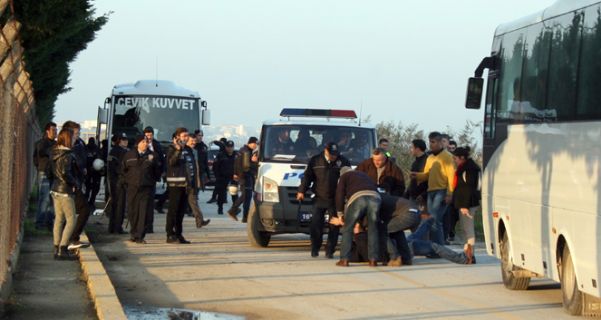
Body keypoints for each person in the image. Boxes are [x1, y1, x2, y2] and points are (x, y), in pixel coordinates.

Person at [297, 142, 351, 258]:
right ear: (326, 151)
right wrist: (301, 191)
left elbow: (348, 178)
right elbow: (307, 177)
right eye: (332, 154)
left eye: (336, 154)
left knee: (334, 226)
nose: (334, 157)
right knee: (316, 224)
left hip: (335, 199)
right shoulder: (315, 160)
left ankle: (330, 250)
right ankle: (315, 248)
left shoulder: (343, 161)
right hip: (319, 197)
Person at [411, 132, 455, 246]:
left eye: (433, 142)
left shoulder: (448, 157)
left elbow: (451, 176)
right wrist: (417, 175)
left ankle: (439, 248)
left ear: (441, 142)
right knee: (433, 221)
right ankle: (435, 247)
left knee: (434, 220)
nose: (431, 145)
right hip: (431, 191)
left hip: (442, 190)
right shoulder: (430, 157)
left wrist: (450, 194)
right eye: (430, 142)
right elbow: (427, 174)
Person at [335, 167, 381, 267]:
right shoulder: (364, 175)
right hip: (375, 198)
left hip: (358, 198)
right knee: (373, 229)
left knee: (348, 228)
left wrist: (340, 213)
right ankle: (373, 260)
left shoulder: (344, 176)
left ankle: (344, 259)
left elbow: (339, 194)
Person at [122, 136, 162, 244]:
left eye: (147, 142)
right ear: (137, 143)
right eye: (143, 141)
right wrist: (126, 181)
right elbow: (123, 170)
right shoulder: (129, 155)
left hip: (146, 187)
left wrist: (152, 181)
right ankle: (133, 233)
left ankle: (140, 235)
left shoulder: (153, 156)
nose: (145, 143)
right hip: (132, 187)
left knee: (143, 212)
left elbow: (157, 171)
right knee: (132, 211)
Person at [49, 128, 79, 260]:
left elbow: (53, 172)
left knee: (59, 219)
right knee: (72, 220)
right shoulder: (67, 154)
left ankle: (56, 248)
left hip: (55, 189)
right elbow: (65, 173)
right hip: (65, 191)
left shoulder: (54, 152)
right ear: (68, 139)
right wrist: (74, 184)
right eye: (72, 138)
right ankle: (63, 249)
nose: (74, 139)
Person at [62, 121, 90, 250]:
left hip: (77, 182)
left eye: (79, 133)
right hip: (70, 185)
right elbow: (65, 170)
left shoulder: (79, 144)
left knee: (72, 213)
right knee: (82, 210)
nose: (78, 136)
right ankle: (71, 239)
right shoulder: (66, 150)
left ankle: (68, 240)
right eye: (76, 133)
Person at [452, 146, 481, 258]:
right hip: (465, 203)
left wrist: (465, 205)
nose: (455, 161)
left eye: (456, 158)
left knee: (468, 229)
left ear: (462, 157)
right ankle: (467, 253)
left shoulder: (470, 169)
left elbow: (469, 188)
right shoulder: (465, 167)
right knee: (465, 229)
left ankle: (470, 255)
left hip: (468, 204)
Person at [165, 128, 193, 244]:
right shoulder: (172, 148)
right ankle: (170, 234)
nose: (186, 138)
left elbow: (192, 166)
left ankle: (179, 234)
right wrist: (178, 150)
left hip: (186, 184)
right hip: (175, 184)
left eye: (187, 135)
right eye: (184, 136)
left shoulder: (188, 149)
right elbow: (171, 162)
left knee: (181, 211)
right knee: (173, 210)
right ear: (177, 137)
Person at [228, 137, 259, 223]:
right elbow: (246, 167)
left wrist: (235, 173)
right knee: (246, 196)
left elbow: (236, 163)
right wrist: (255, 162)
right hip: (246, 177)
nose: (256, 146)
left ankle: (243, 216)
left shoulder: (241, 150)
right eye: (255, 144)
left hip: (241, 176)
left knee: (246, 196)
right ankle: (234, 211)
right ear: (251, 143)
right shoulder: (246, 152)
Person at [33, 122, 57, 230]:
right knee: (44, 198)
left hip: (53, 173)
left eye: (56, 130)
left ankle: (49, 222)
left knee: (52, 199)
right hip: (44, 173)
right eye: (53, 130)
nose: (55, 132)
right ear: (47, 131)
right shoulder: (42, 143)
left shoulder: (56, 144)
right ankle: (40, 222)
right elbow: (39, 154)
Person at [185, 136, 211, 228]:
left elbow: (198, 167)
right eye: (191, 141)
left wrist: (198, 181)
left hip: (194, 181)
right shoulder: (184, 151)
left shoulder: (195, 152)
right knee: (191, 201)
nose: (193, 143)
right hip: (185, 182)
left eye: (194, 141)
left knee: (193, 201)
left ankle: (199, 221)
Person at [143, 126, 165, 233]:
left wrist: (161, 172)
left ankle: (149, 226)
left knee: (150, 203)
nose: (149, 137)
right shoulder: (140, 143)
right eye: (147, 135)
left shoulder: (156, 145)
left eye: (150, 135)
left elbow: (161, 159)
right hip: (142, 178)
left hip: (152, 176)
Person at [107, 133, 128, 234]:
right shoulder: (122, 152)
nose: (126, 142)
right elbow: (122, 168)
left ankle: (112, 227)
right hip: (120, 181)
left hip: (113, 181)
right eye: (124, 140)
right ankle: (117, 228)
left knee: (114, 205)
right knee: (120, 205)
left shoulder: (112, 151)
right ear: (119, 141)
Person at [213, 140, 237, 215]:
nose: (230, 149)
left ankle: (234, 209)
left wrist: (238, 175)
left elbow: (240, 166)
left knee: (234, 194)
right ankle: (220, 208)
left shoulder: (237, 155)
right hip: (222, 177)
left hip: (233, 177)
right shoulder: (221, 155)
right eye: (228, 147)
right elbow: (215, 167)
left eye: (231, 147)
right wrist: (218, 176)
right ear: (226, 147)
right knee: (221, 194)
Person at [207, 137, 228, 204]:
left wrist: (214, 141)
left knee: (218, 186)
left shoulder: (224, 149)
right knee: (223, 186)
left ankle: (214, 198)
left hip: (221, 172)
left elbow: (220, 144)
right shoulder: (223, 151)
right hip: (222, 171)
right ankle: (224, 199)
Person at [84, 137, 101, 208]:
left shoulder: (87, 148)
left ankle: (89, 201)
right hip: (91, 170)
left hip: (93, 170)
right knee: (90, 187)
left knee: (90, 187)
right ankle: (88, 201)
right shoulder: (94, 149)